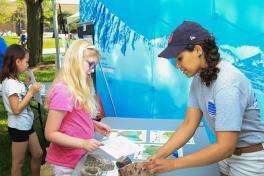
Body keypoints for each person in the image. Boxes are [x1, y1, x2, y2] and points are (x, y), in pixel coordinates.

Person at [146, 21, 264, 176]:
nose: (177, 65)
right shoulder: (199, 79)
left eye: (179, 58)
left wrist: (172, 164)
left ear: (198, 50)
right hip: (226, 157)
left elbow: (225, 147)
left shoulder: (227, 83)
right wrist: (158, 156)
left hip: (248, 161)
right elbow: (189, 124)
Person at [44, 39, 112, 175]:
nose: (91, 71)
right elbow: (50, 133)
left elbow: (72, 119)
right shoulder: (64, 92)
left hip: (78, 158)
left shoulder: (76, 87)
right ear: (76, 61)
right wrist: (83, 143)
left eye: (94, 66)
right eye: (90, 64)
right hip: (66, 164)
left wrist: (92, 124)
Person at [0, 44, 43, 176]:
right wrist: (31, 92)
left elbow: (20, 96)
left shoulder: (15, 80)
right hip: (18, 128)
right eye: (26, 61)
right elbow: (16, 109)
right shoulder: (10, 83)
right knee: (18, 163)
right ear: (17, 61)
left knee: (38, 154)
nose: (28, 64)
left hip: (26, 124)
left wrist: (27, 85)